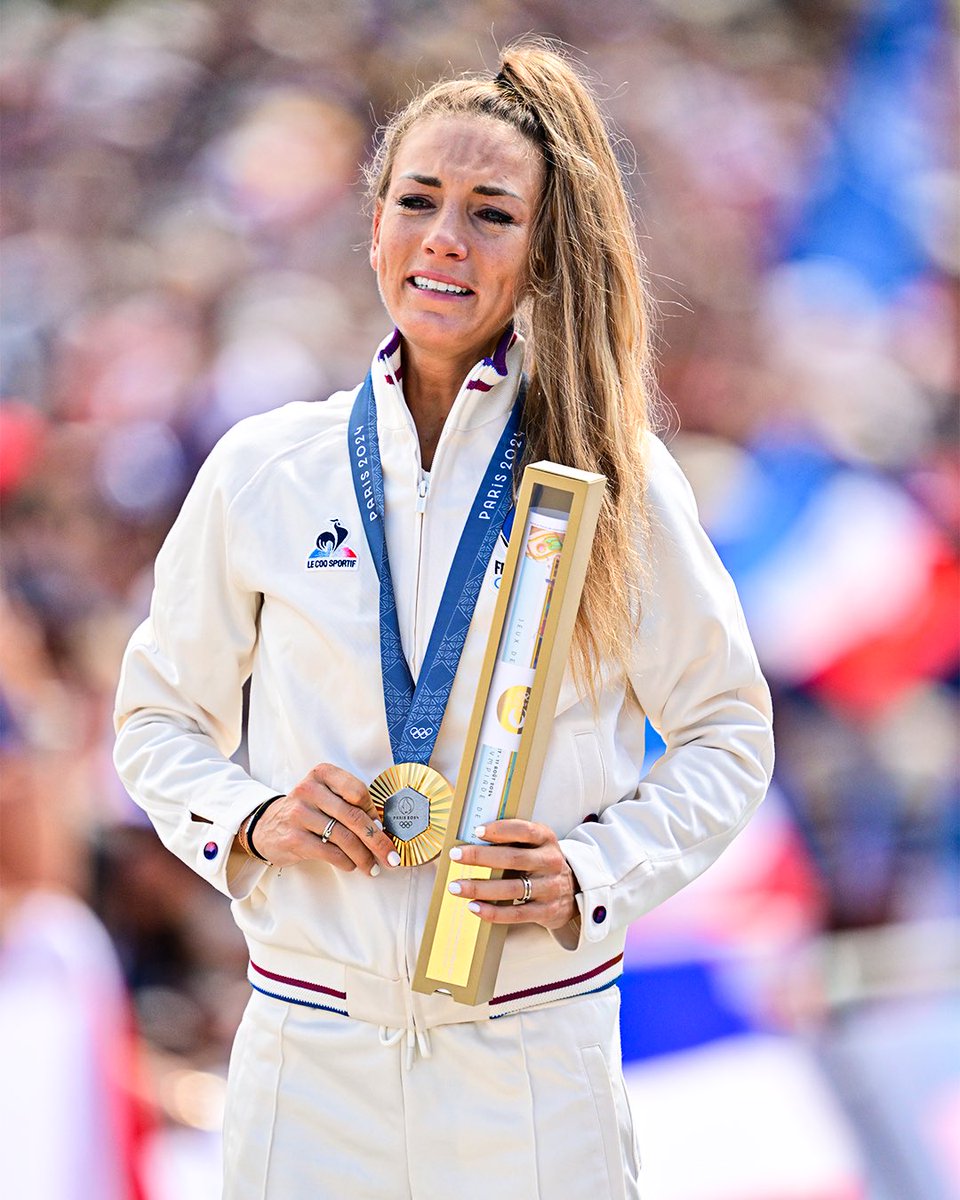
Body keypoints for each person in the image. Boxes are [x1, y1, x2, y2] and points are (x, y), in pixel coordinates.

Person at [114, 39, 774, 1200]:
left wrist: (593, 867)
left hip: (530, 1060)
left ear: (544, 249)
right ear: (374, 225)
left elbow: (729, 731)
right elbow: (157, 722)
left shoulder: (612, 477)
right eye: (417, 201)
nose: (446, 240)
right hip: (308, 1057)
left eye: (492, 214)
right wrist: (254, 816)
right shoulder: (265, 468)